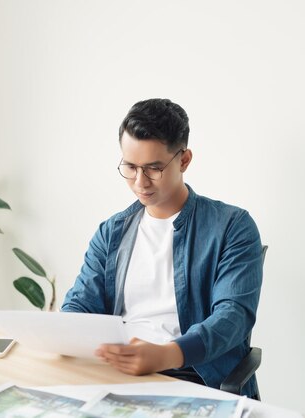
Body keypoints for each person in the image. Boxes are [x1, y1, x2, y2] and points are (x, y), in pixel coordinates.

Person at [61, 98, 263, 398]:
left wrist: (167, 355)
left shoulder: (232, 226)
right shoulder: (111, 232)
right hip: (117, 373)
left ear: (184, 160)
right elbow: (81, 304)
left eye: (154, 168)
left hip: (192, 376)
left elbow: (233, 317)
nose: (140, 182)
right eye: (130, 167)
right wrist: (60, 332)